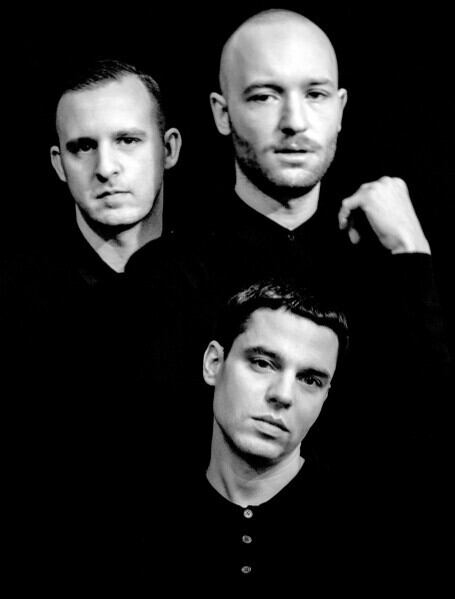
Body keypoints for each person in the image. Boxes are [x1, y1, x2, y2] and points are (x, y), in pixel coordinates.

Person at [200, 8, 450, 481]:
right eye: (265, 96)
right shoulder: (172, 271)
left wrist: (412, 255)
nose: (294, 121)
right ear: (222, 112)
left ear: (340, 108)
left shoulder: (393, 265)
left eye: (314, 94)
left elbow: (439, 440)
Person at [2, 59, 211, 592]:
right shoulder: (10, 303)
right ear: (58, 163)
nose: (106, 167)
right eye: (82, 147)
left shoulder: (219, 288)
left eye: (128, 141)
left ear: (169, 149)